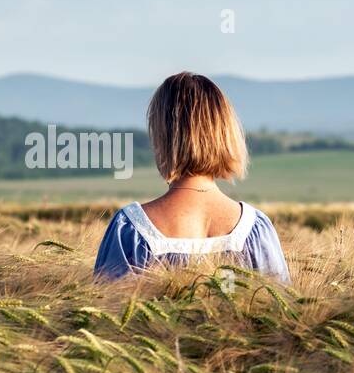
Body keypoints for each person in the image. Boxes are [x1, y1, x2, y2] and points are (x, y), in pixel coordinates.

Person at [93, 72, 289, 281]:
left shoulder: (130, 229)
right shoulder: (255, 230)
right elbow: (281, 308)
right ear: (224, 134)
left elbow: (105, 305)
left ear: (162, 137)